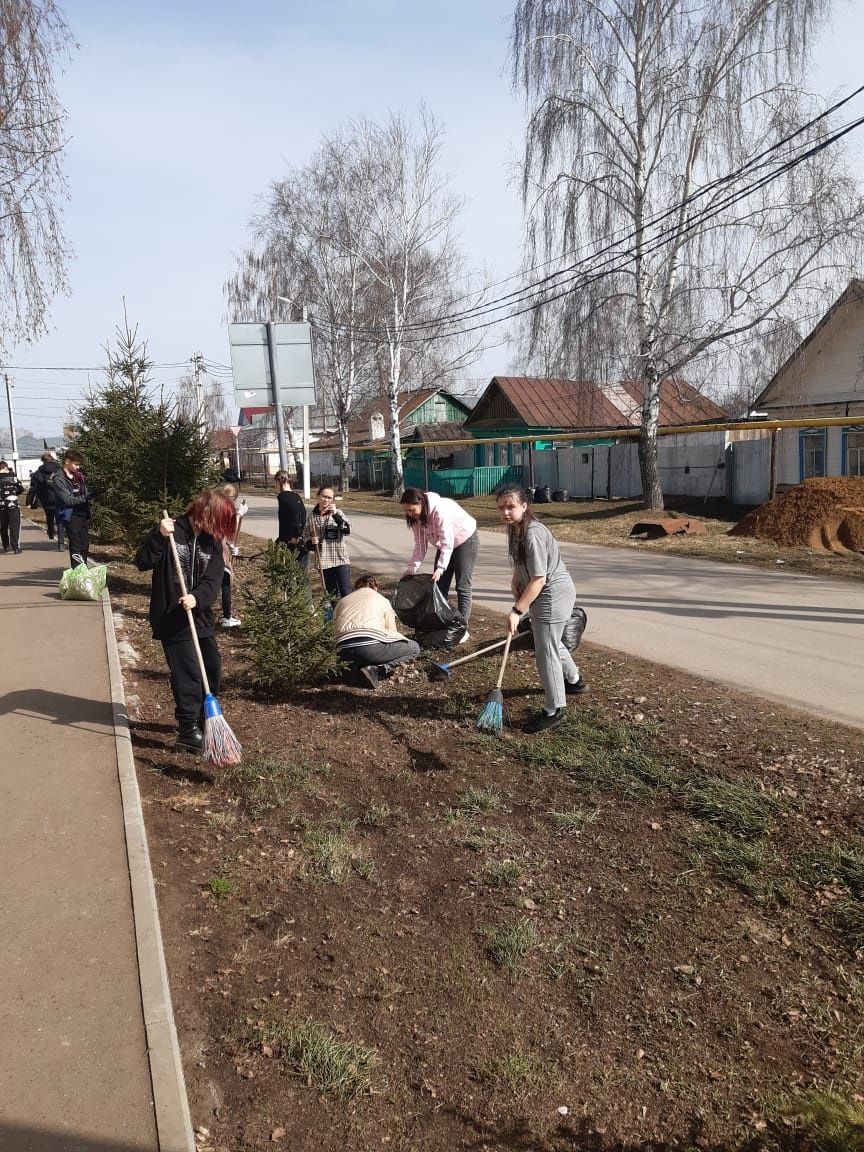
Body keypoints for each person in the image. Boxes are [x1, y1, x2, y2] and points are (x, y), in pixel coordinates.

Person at [134, 490, 237, 752]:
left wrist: (196, 598)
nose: (218, 531)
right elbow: (142, 562)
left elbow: (213, 581)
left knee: (211, 666)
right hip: (171, 618)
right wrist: (158, 537)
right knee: (188, 672)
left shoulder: (212, 541)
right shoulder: (171, 531)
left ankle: (207, 721)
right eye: (216, 523)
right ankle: (188, 730)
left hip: (198, 616)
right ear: (204, 513)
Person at [496, 483, 587, 734]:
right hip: (543, 594)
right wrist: (515, 579)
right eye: (501, 507)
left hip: (552, 595)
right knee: (550, 642)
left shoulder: (533, 532)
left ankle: (554, 708)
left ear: (525, 506)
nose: (505, 512)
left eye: (511, 507)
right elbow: (520, 560)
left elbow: (539, 579)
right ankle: (575, 681)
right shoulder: (515, 529)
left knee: (545, 652)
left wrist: (516, 611)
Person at [400, 487, 478, 642]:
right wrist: (412, 568)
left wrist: (441, 568)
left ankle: (462, 629)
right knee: (438, 585)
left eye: (412, 510)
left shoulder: (440, 511)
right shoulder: (416, 519)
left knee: (462, 585)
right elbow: (420, 546)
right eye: (406, 511)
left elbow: (447, 543)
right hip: (445, 546)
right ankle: (442, 622)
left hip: (465, 540)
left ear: (421, 503)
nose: (410, 514)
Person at [333, 574, 420, 689]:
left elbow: (333, 628)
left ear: (356, 588)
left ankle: (352, 670)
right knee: (414, 648)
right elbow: (392, 632)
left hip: (342, 650)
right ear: (376, 587)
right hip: (369, 648)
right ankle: (377, 670)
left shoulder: (342, 601)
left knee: (361, 653)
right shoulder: (382, 600)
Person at [304, 486, 352, 599]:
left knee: (346, 591)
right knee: (331, 594)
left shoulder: (338, 514)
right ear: (318, 496)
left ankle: (347, 615)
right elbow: (305, 537)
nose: (326, 500)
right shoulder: (312, 517)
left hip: (340, 559)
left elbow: (347, 530)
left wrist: (335, 515)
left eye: (329, 498)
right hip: (324, 561)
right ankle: (335, 614)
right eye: (324, 496)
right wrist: (311, 542)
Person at [53, 449, 93, 568]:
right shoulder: (59, 478)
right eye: (76, 464)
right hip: (71, 515)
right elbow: (68, 500)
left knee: (84, 545)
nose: (78, 467)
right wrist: (86, 497)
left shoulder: (79, 476)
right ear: (67, 461)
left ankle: (84, 569)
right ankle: (77, 573)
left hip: (83, 513)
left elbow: (83, 492)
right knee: (76, 546)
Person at [27, 451, 62, 546]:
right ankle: (61, 541)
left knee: (49, 516)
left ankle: (51, 532)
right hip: (60, 497)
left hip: (46, 498)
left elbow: (33, 488)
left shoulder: (39, 473)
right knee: (60, 518)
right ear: (52, 459)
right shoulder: (59, 470)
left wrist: (29, 501)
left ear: (43, 461)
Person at [274, 470, 307, 565]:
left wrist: (289, 539)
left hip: (292, 543)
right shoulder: (296, 496)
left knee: (291, 575)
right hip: (301, 541)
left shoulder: (283, 497)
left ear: (278, 482)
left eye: (275, 484)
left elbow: (289, 521)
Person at [0, 461, 24, 554]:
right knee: (15, 527)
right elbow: (21, 489)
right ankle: (16, 547)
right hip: (13, 505)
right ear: (6, 467)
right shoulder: (13, 476)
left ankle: (6, 546)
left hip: (1, 507)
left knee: (3, 527)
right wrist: (14, 494)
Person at [222, 483, 247, 558]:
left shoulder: (223, 507)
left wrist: (230, 545)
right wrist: (239, 514)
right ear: (234, 498)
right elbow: (232, 529)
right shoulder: (225, 510)